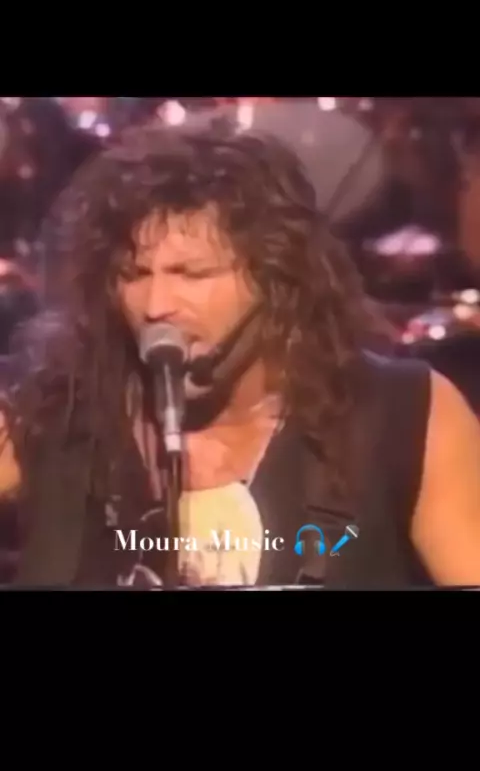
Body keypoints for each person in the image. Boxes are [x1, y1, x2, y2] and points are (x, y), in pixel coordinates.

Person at [1, 123, 480, 589]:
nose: (155, 305)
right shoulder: (55, 416)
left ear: (273, 278)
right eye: (134, 275)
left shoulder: (405, 415)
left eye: (192, 274)